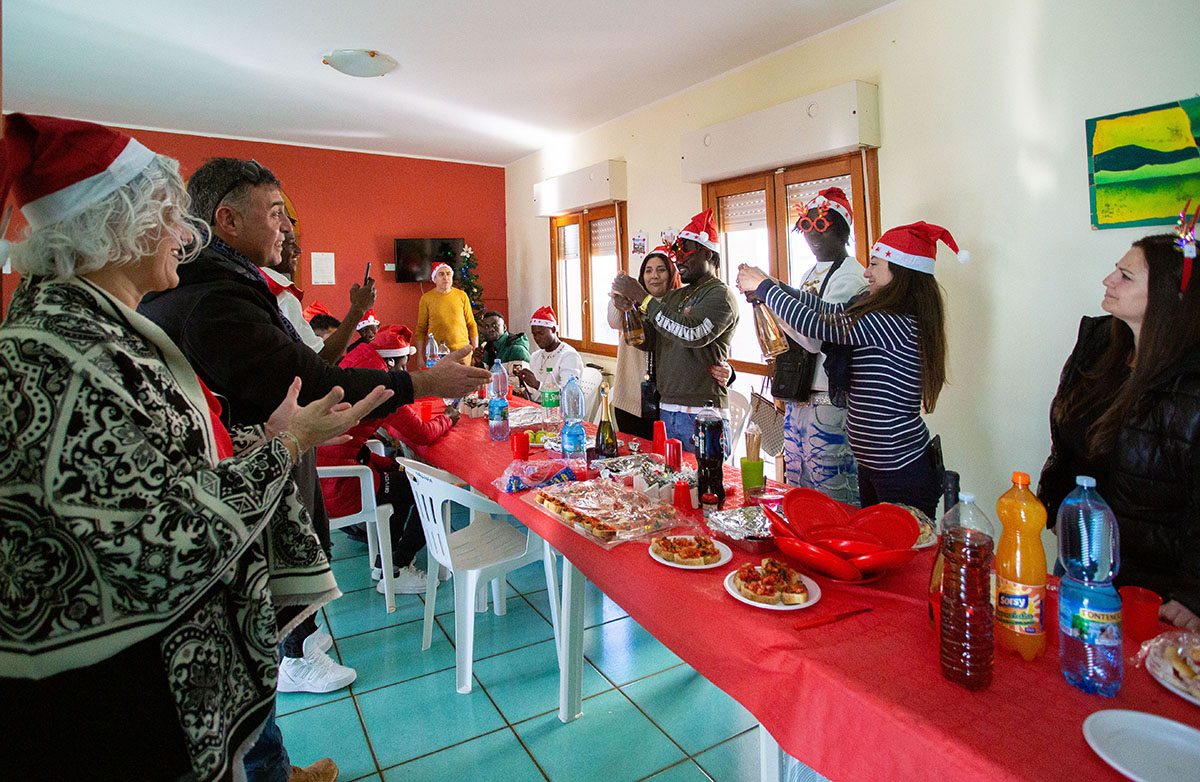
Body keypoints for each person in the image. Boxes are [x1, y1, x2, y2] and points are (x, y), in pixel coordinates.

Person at [0, 114, 389, 782]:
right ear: (111, 229)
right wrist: (285, 443)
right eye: (169, 217)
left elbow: (165, 460)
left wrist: (261, 438)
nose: (184, 237)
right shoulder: (57, 357)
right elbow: (159, 541)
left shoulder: (90, 330)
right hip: (117, 708)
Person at [137, 156, 489, 779]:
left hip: (260, 481)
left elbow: (303, 365)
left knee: (250, 656)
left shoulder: (226, 286)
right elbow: (317, 379)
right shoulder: (214, 300)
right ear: (227, 219)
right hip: (247, 492)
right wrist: (426, 378)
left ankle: (274, 763)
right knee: (249, 646)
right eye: (275, 214)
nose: (285, 229)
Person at [737, 221, 957, 518]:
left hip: (899, 470)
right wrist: (772, 285)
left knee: (902, 557)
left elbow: (817, 325)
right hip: (875, 465)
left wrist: (764, 287)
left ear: (900, 273)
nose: (867, 273)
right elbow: (825, 309)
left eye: (875, 265)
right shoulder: (881, 312)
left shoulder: (892, 320)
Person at [1038, 229, 1200, 632]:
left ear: (1169, 297)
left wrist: (1194, 596)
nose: (1108, 281)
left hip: (1153, 591)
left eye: (1126, 277)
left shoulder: (1191, 383)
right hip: (1080, 555)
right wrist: (1056, 502)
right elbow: (1067, 437)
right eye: (1116, 271)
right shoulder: (1100, 346)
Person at [320, 326, 460, 594]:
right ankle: (398, 566)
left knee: (401, 480)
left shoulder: (352, 369)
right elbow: (422, 434)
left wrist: (390, 465)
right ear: (392, 362)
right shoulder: (382, 386)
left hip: (323, 478)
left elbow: (351, 445)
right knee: (425, 490)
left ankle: (383, 563)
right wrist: (449, 418)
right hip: (341, 485)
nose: (405, 373)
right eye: (403, 366)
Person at [611, 209, 739, 451]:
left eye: (685, 252)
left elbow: (691, 332)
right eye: (676, 253)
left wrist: (642, 297)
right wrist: (629, 309)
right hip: (667, 408)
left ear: (708, 253)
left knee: (705, 484)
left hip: (703, 411)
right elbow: (648, 340)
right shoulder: (677, 296)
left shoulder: (720, 295)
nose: (678, 259)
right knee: (672, 482)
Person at [772, 188, 867, 504]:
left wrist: (775, 305)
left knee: (833, 496)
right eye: (806, 225)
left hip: (830, 401)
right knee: (798, 488)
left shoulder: (851, 277)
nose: (811, 234)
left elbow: (815, 338)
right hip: (800, 399)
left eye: (821, 225)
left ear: (842, 229)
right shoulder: (809, 273)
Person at [262, 227, 376, 363]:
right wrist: (358, 309)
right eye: (291, 242)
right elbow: (320, 360)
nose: (299, 250)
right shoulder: (281, 297)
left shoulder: (251, 283)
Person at [606, 246, 682, 439]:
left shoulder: (678, 307)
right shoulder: (629, 302)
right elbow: (614, 322)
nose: (654, 276)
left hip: (667, 403)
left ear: (671, 274)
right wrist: (617, 298)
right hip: (630, 401)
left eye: (661, 270)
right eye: (648, 270)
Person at [416, 261, 478, 365]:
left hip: (463, 353)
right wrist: (419, 358)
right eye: (441, 274)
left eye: (448, 273)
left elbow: (471, 324)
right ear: (434, 279)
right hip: (437, 355)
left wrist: (475, 352)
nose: (446, 277)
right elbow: (421, 328)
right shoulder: (426, 298)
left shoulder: (462, 296)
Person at [517, 305, 584, 392]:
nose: (536, 338)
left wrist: (538, 385)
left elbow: (568, 393)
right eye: (534, 334)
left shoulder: (569, 356)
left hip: (556, 406)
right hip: (535, 404)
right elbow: (532, 393)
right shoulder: (536, 356)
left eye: (540, 333)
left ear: (553, 329)